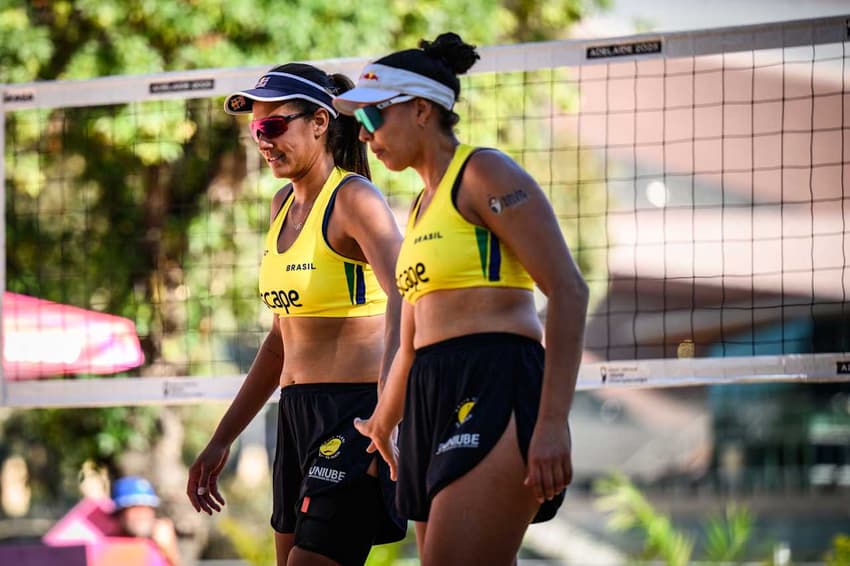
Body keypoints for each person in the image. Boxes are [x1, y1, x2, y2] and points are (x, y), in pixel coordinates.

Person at [333, 33, 589, 565]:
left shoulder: (484, 172)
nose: (365, 133)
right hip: (430, 393)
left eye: (374, 117)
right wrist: (383, 423)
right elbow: (411, 342)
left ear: (422, 110)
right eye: (359, 121)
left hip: (495, 377)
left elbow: (568, 290)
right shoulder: (421, 206)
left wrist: (551, 422)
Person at [186, 63, 406, 566]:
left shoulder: (354, 198)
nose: (263, 140)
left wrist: (390, 410)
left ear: (320, 122)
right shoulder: (280, 206)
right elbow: (279, 342)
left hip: (357, 413)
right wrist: (222, 440)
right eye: (256, 130)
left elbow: (409, 295)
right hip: (296, 415)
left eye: (275, 125)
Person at [111, 476, 182, 566]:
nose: (142, 514)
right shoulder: (107, 547)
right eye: (135, 507)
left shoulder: (159, 547)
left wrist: (171, 552)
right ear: (119, 513)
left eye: (148, 507)